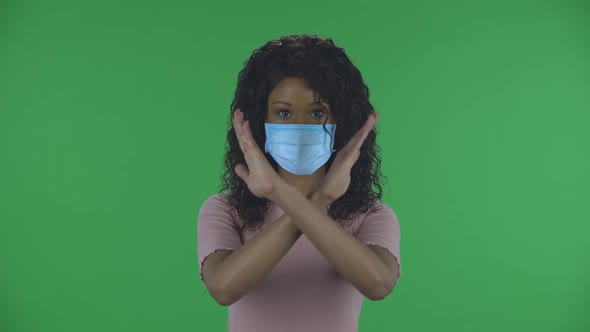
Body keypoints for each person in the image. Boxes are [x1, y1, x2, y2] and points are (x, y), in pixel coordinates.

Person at [197, 34, 401, 332]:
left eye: (317, 112)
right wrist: (318, 200)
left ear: (341, 120)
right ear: (259, 119)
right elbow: (223, 288)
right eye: (283, 112)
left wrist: (280, 194)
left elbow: (379, 283)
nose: (300, 125)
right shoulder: (225, 209)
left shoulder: (371, 215)